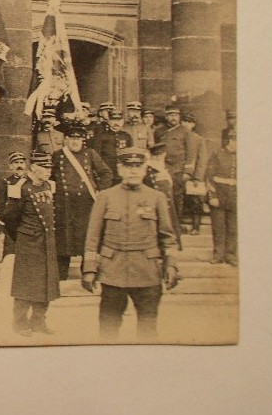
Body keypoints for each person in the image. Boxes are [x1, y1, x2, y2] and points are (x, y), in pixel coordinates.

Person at [81, 147, 180, 340]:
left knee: (148, 327)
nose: (133, 171)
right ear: (119, 169)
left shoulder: (156, 197)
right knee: (108, 326)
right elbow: (93, 237)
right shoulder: (105, 197)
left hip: (147, 271)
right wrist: (89, 269)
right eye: (128, 166)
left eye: (138, 166)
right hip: (113, 272)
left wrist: (171, 265)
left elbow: (168, 236)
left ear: (145, 169)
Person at [1, 150, 60, 336]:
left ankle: (39, 322)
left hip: (46, 241)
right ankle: (19, 324)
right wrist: (23, 237)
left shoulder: (49, 186)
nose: (48, 171)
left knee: (46, 284)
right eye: (44, 168)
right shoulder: (21, 188)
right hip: (28, 242)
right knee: (25, 286)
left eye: (49, 168)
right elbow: (9, 218)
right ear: (34, 168)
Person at [50, 124, 113, 280]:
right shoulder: (57, 155)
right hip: (63, 204)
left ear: (83, 140)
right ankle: (61, 274)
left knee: (86, 237)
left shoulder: (90, 154)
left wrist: (101, 191)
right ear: (65, 140)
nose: (75, 142)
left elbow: (106, 173)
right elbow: (49, 176)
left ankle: (88, 273)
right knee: (63, 239)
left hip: (85, 204)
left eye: (78, 138)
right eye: (72, 138)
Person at [156, 104, 203, 236]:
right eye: (170, 115)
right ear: (166, 116)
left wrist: (188, 172)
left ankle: (177, 225)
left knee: (177, 197)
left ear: (179, 116)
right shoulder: (159, 131)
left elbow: (191, 153)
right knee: (164, 196)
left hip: (178, 170)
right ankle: (165, 225)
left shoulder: (186, 132)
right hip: (163, 169)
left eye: (175, 115)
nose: (173, 118)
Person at [206, 130, 237, 266]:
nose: (237, 143)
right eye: (234, 140)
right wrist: (212, 196)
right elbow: (208, 177)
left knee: (233, 228)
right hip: (219, 195)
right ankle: (218, 255)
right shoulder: (217, 155)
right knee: (219, 228)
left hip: (236, 197)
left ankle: (230, 255)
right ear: (228, 141)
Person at [144, 141, 181, 250]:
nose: (159, 157)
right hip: (154, 202)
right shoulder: (148, 169)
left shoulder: (168, 168)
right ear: (152, 156)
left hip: (168, 201)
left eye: (161, 155)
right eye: (156, 155)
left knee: (170, 221)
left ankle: (172, 246)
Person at [180, 112, 210, 235]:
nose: (186, 124)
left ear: (193, 124)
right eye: (184, 122)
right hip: (179, 174)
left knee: (195, 201)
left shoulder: (198, 139)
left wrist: (198, 177)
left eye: (189, 122)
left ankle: (195, 227)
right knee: (179, 199)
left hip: (193, 177)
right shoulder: (177, 136)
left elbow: (202, 159)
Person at [0, 151, 28, 259]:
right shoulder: (5, 183)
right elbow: (0, 207)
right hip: (10, 226)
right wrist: (1, 230)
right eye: (16, 163)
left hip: (26, 224)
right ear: (10, 166)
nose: (19, 165)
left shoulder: (30, 182)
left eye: (21, 162)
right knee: (10, 257)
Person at [90, 109, 133, 184]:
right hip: (107, 173)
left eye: (119, 120)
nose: (116, 123)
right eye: (113, 120)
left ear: (123, 121)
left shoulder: (127, 136)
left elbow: (130, 155)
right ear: (108, 121)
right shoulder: (101, 136)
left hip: (123, 173)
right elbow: (96, 157)